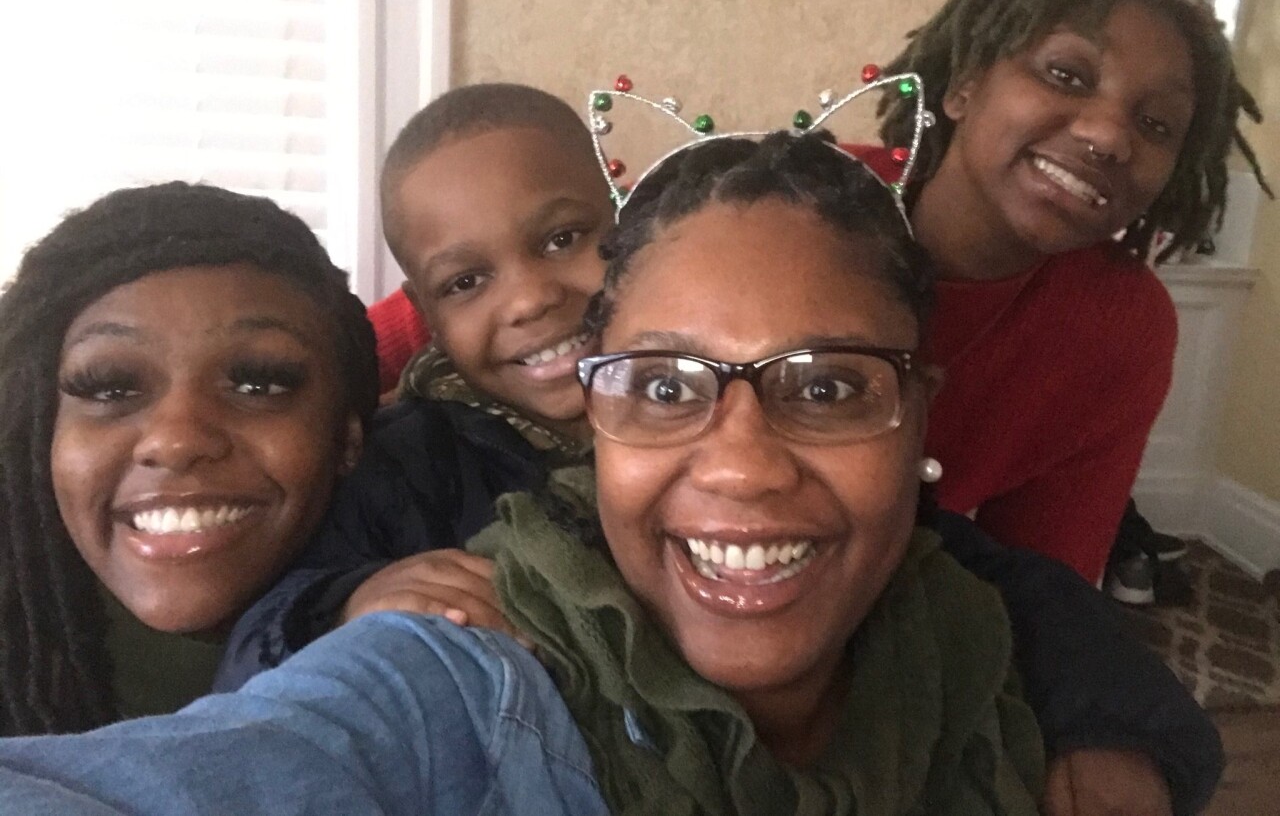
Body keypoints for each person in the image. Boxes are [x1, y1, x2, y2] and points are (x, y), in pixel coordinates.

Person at [219, 87, 1221, 814]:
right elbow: (268, 706)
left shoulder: (922, 603)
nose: (528, 296)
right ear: (426, 319)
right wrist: (342, 604)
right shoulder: (418, 458)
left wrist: (1113, 723)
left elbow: (1003, 585)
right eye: (466, 281)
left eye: (564, 238)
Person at [0, 132, 1053, 815]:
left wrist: (1133, 726)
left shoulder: (962, 641)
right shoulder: (475, 654)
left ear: (917, 408)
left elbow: (1000, 574)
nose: (738, 462)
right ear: (600, 410)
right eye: (664, 385)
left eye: (825, 387)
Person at [873, 0, 1269, 594]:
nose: (1110, 134)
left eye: (1156, 125)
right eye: (1066, 75)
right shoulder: (799, 212)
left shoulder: (1118, 327)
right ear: (965, 84)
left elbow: (1041, 588)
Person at [0, 182, 379, 736]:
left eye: (257, 384)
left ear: (347, 438)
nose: (177, 441)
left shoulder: (438, 623)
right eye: (109, 388)